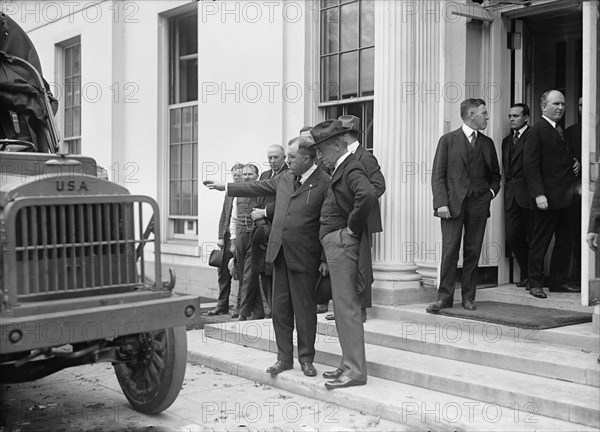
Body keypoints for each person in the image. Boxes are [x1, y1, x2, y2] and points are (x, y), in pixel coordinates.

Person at [205, 136, 329, 377]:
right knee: (280, 311)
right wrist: (226, 187)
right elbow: (256, 187)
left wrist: (324, 258)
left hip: (305, 257)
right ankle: (284, 358)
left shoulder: (324, 182)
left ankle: (306, 359)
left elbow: (327, 221)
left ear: (307, 158)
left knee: (304, 312)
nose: (287, 161)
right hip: (279, 254)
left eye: (291, 157)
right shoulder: (284, 178)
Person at [310, 119, 377, 389]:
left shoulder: (351, 166)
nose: (319, 156)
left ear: (338, 145)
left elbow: (368, 194)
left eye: (322, 149)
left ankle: (356, 371)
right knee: (341, 309)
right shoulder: (342, 166)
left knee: (347, 308)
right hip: (336, 246)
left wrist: (351, 226)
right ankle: (347, 364)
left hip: (342, 244)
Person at [427, 99, 501, 313]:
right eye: (484, 113)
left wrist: (490, 194)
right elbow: (438, 175)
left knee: (473, 252)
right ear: (471, 114)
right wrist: (441, 203)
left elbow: (496, 176)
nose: (487, 117)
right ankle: (444, 299)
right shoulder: (448, 140)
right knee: (450, 252)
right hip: (452, 206)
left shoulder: (487, 143)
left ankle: (468, 297)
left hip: (479, 204)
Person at [523, 90, 581, 298]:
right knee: (540, 241)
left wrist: (574, 161)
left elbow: (558, 158)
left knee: (565, 241)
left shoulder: (560, 130)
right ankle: (534, 282)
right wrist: (539, 194)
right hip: (546, 199)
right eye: (556, 104)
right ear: (543, 106)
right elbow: (530, 166)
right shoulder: (536, 131)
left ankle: (558, 281)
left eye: (563, 104)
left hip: (566, 198)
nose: (560, 108)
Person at [251, 145, 288, 318]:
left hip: (279, 231)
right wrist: (257, 214)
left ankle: (279, 310)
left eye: (276, 157)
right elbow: (257, 196)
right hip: (262, 231)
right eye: (270, 158)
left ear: (284, 157)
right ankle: (271, 310)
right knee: (263, 271)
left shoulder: (289, 175)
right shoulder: (265, 176)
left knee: (277, 272)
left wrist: (265, 212)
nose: (272, 161)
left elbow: (285, 204)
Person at [208, 163, 244, 316]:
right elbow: (224, 215)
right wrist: (220, 236)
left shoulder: (247, 192)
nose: (236, 178)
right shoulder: (229, 192)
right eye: (234, 175)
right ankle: (222, 305)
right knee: (223, 272)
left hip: (241, 237)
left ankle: (240, 307)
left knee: (240, 271)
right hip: (227, 237)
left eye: (239, 175)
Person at [502, 104, 532, 288]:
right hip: (511, 195)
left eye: (516, 116)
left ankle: (533, 276)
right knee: (513, 235)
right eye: (510, 116)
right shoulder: (506, 141)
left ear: (526, 118)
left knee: (533, 235)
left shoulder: (534, 136)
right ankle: (528, 272)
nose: (511, 119)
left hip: (530, 194)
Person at [231, 163, 265, 320]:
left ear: (256, 176)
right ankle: (258, 312)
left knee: (249, 275)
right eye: (244, 174)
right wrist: (233, 239)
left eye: (249, 174)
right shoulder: (238, 193)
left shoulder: (260, 192)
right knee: (244, 273)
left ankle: (243, 313)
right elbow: (233, 217)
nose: (246, 177)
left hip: (254, 235)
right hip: (240, 236)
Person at [567, 96, 583, 283]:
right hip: (577, 192)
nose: (582, 107)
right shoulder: (570, 132)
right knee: (578, 235)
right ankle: (579, 278)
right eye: (579, 104)